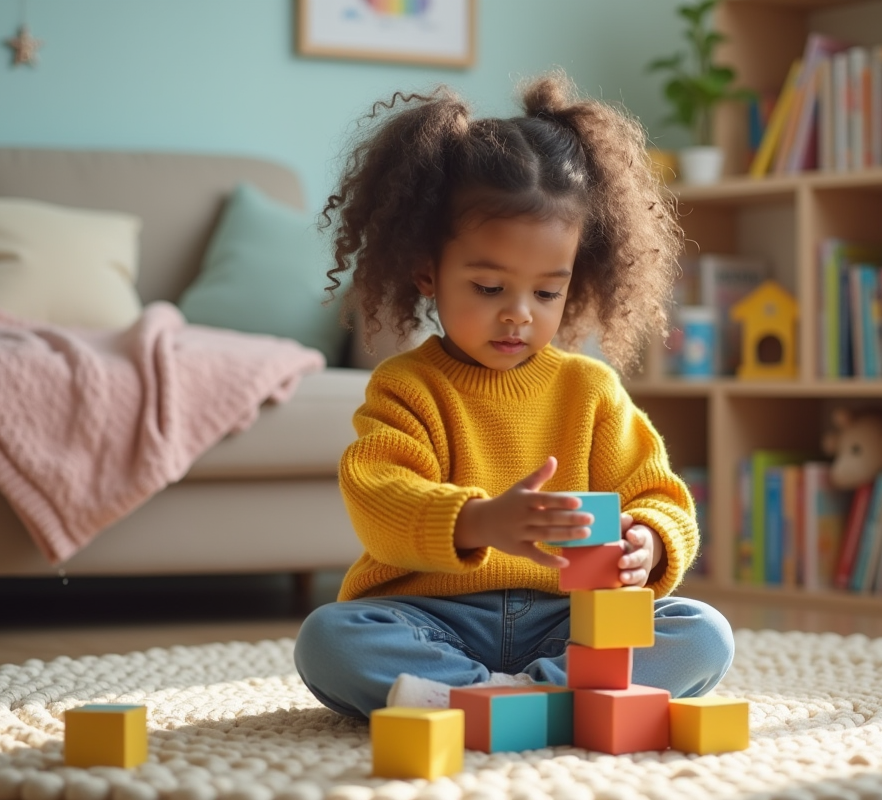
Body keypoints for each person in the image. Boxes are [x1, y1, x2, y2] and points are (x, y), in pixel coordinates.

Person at [295, 72, 734, 719]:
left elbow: (658, 493)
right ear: (428, 273)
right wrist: (479, 521)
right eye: (490, 288)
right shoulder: (406, 386)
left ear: (575, 282)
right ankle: (532, 701)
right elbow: (378, 499)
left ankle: (514, 698)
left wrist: (652, 540)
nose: (519, 316)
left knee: (702, 631)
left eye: (547, 292)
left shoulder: (590, 388)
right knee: (329, 639)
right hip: (430, 615)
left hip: (572, 623)